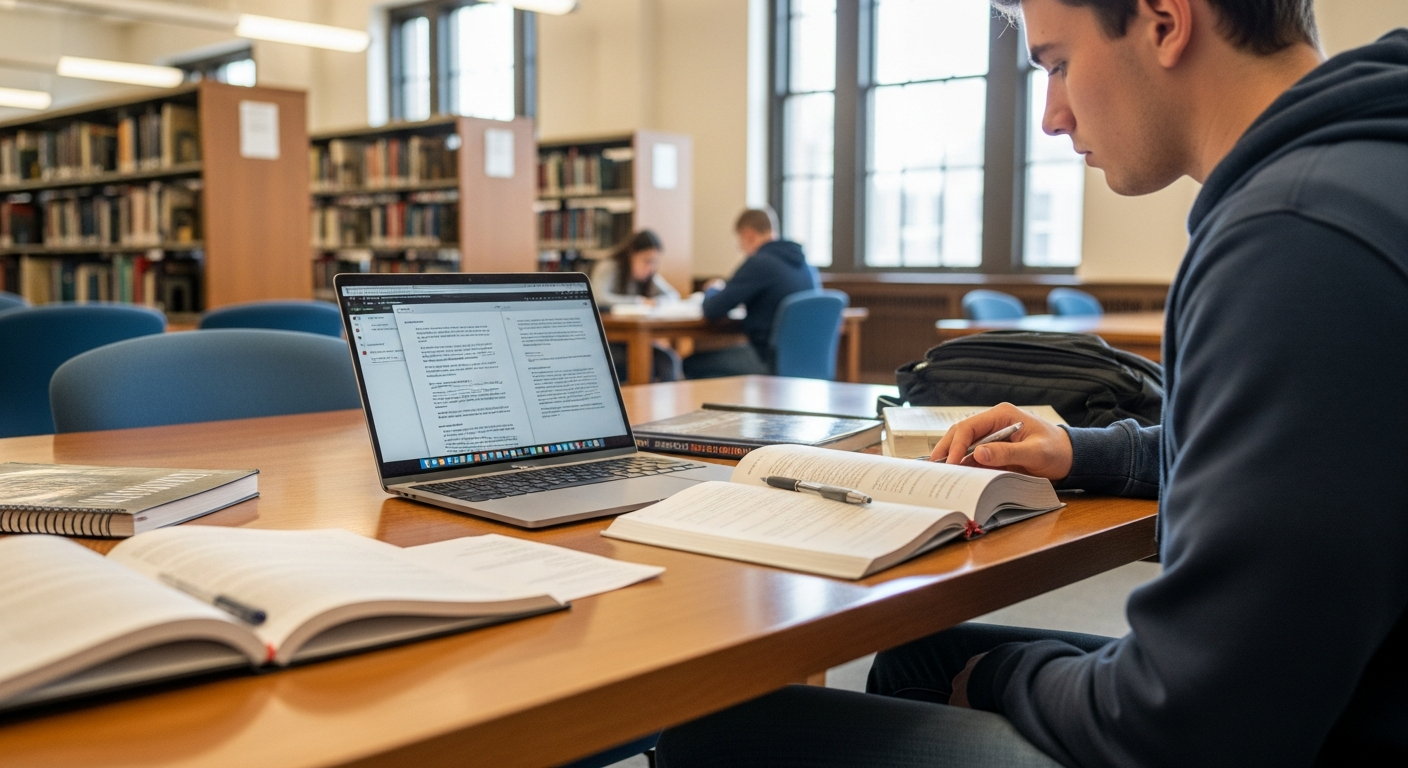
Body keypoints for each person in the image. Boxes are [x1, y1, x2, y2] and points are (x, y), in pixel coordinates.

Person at [656, 0, 1408, 766]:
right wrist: (1084, 454)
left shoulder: (1294, 243)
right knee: (915, 660)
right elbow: (1307, 466)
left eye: (1057, 65)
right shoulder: (1366, 168)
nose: (1051, 116)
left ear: (1164, 20)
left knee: (715, 739)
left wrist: (1003, 677)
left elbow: (1192, 725)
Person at [681, 208, 820, 379]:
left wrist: (712, 290)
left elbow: (713, 309)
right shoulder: (805, 265)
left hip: (768, 359)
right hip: (808, 360)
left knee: (692, 364)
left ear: (748, 235)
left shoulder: (759, 263)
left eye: (740, 240)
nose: (741, 247)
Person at [590, 230, 682, 382]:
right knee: (639, 363)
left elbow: (672, 295)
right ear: (631, 254)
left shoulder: (649, 275)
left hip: (635, 339)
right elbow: (598, 298)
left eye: (654, 262)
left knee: (667, 360)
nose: (650, 267)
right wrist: (638, 301)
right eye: (646, 260)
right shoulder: (609, 267)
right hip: (607, 339)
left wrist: (656, 303)